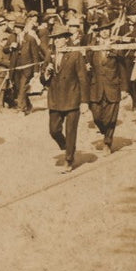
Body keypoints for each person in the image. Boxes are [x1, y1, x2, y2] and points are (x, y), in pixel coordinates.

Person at [43, 23, 90, 168]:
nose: (56, 41)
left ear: (66, 39)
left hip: (72, 97)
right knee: (54, 130)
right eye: (55, 38)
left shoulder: (75, 54)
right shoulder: (50, 54)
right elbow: (42, 79)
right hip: (55, 98)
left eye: (60, 38)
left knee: (70, 130)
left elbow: (83, 78)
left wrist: (84, 101)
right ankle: (65, 146)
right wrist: (46, 73)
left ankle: (69, 159)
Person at [87, 25, 127, 153]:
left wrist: (124, 88)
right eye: (102, 30)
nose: (104, 32)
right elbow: (87, 62)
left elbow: (122, 68)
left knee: (111, 117)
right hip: (96, 86)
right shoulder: (92, 46)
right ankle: (104, 130)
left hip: (112, 86)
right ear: (98, 32)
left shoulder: (116, 46)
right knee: (97, 116)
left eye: (107, 30)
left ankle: (107, 143)